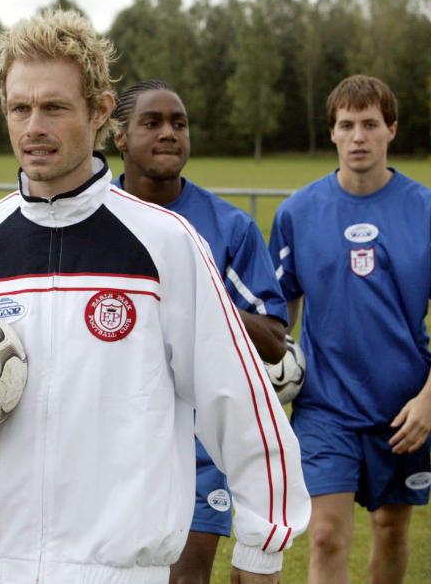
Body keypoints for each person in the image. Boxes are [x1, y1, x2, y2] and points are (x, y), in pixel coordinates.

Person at [0, 10, 309, 584]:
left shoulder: (164, 244)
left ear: (98, 112)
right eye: (20, 108)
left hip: (124, 572)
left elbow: (236, 400)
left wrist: (263, 545)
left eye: (54, 107)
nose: (33, 126)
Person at [111, 80, 289, 584]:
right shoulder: (91, 220)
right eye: (152, 122)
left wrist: (199, 298)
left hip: (197, 451)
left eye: (179, 123)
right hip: (107, 444)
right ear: (119, 136)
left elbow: (275, 342)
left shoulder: (228, 227)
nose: (168, 133)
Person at [270, 74, 431, 584]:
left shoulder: (425, 210)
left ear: (391, 130)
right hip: (325, 405)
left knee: (389, 529)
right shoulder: (297, 212)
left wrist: (429, 399)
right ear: (333, 134)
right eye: (347, 125)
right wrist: (269, 377)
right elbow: (279, 313)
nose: (358, 135)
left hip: (404, 406)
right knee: (325, 535)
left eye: (369, 124)